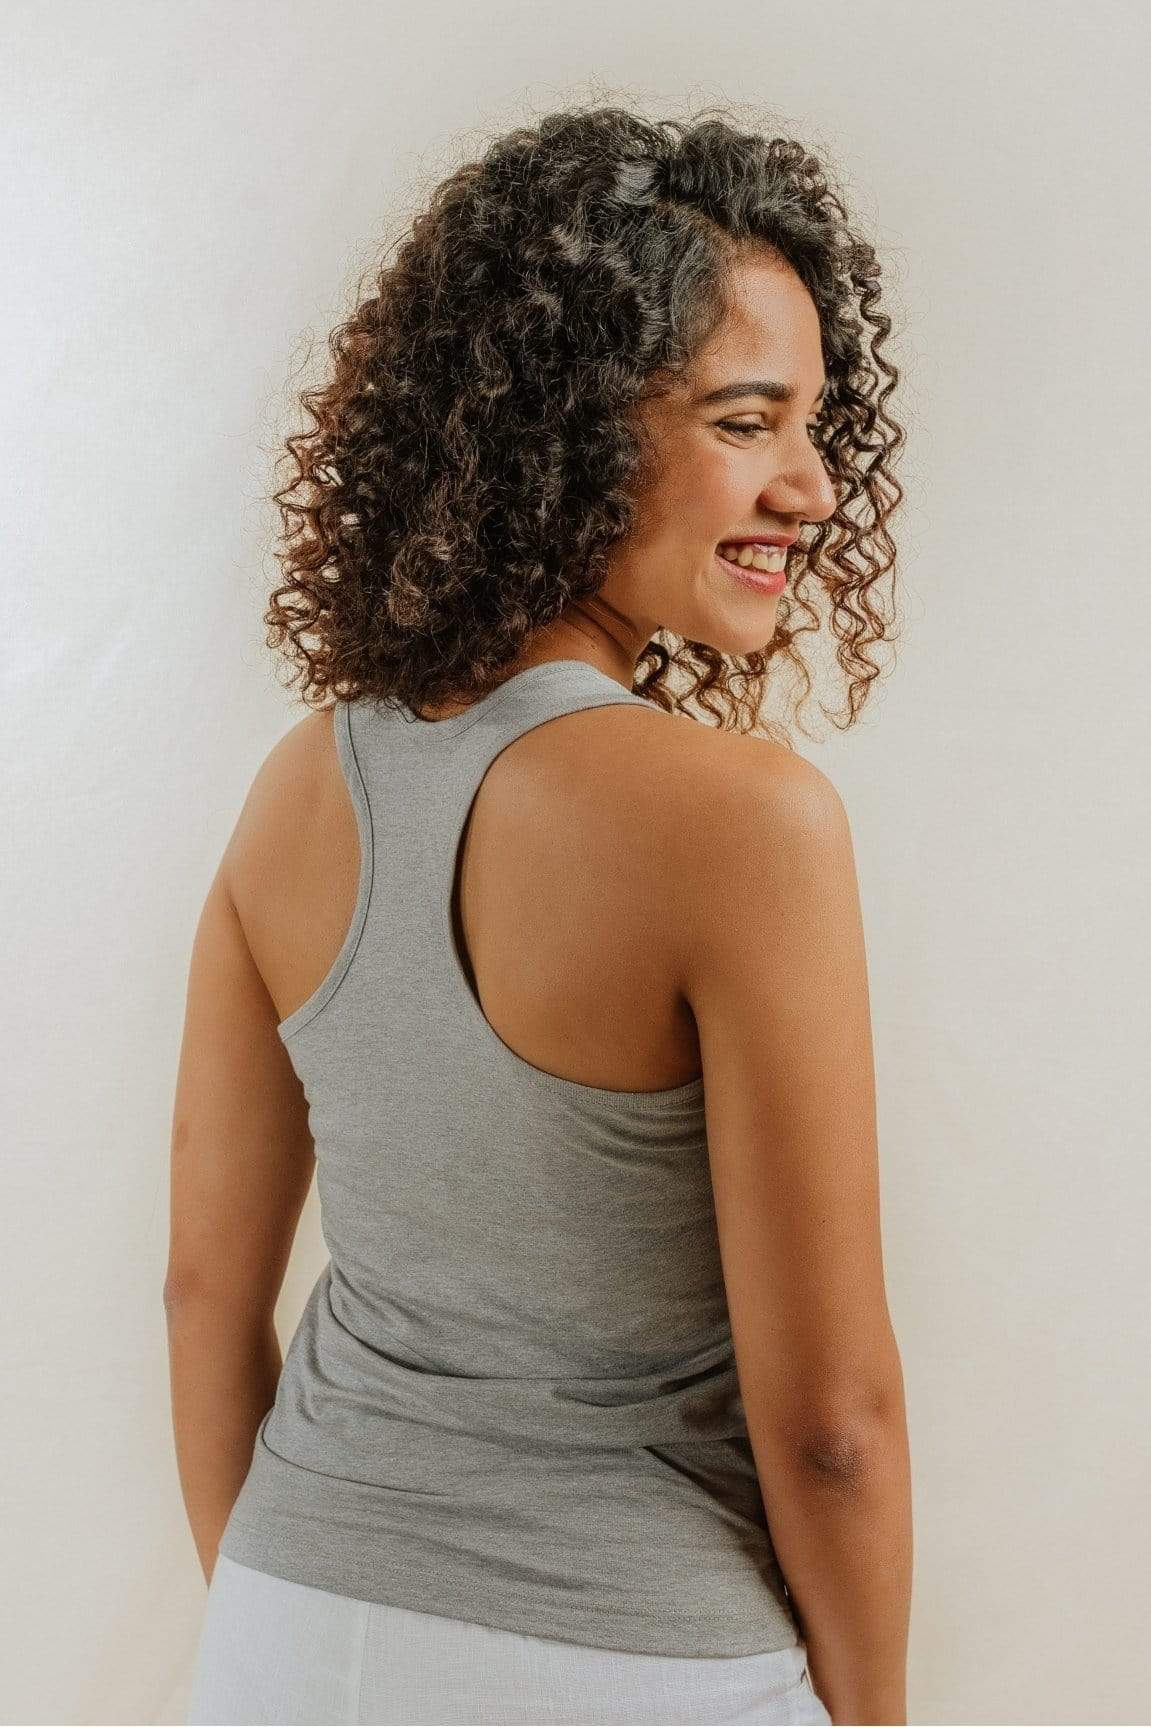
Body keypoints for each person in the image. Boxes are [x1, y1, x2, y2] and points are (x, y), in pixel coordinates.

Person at [166, 104, 913, 1726]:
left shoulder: (298, 792)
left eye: (818, 424)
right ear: (565, 429)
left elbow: (206, 1299)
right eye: (747, 420)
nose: (812, 485)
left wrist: (294, 1629)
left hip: (285, 1631)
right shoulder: (747, 824)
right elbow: (832, 1425)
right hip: (629, 1659)